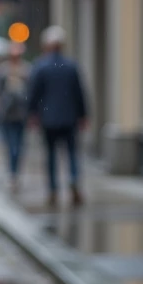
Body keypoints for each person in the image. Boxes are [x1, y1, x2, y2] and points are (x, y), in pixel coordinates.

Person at [27, 24, 88, 208]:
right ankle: (74, 180)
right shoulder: (71, 66)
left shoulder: (40, 66)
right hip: (69, 118)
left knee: (51, 155)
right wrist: (83, 115)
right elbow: (80, 93)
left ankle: (53, 189)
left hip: (49, 119)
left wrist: (32, 114)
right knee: (71, 153)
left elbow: (33, 93)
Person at [0, 41, 30, 192]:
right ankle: (12, 173)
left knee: (18, 146)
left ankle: (15, 172)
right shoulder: (3, 71)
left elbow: (30, 93)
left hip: (21, 116)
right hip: (8, 116)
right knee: (11, 146)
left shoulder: (26, 70)